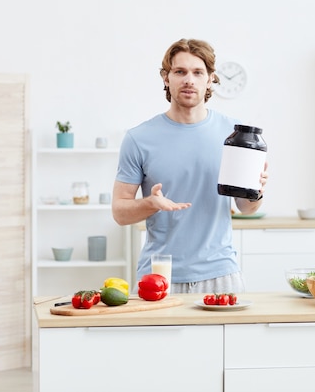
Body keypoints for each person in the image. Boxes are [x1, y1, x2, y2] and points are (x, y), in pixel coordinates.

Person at [112, 38, 268, 294]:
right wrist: (150, 204)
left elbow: (246, 208)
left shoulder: (235, 135)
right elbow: (119, 212)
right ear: (166, 77)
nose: (189, 80)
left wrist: (257, 190)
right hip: (159, 277)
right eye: (180, 71)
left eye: (198, 72)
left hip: (221, 275)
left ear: (210, 79)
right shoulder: (138, 138)